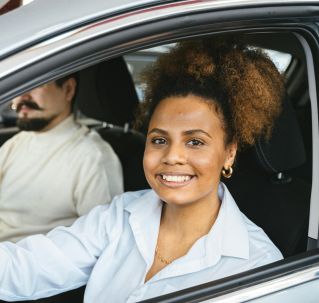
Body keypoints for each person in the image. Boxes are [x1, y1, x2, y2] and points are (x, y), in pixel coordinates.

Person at [0, 37, 284, 302]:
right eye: (159, 140)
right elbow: (26, 267)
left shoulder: (259, 266)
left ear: (229, 152)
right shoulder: (119, 216)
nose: (172, 156)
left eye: (195, 142)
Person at [0, 74, 123, 242]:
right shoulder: (16, 143)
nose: (22, 96)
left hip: (32, 264)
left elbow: (102, 241)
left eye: (35, 84)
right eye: (19, 85)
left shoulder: (93, 157)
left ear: (68, 90)